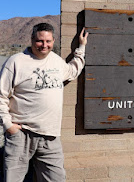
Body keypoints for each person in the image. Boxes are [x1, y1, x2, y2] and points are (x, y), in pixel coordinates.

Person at [0, 22, 88, 182]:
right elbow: (1, 95)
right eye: (40, 41)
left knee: (56, 178)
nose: (44, 45)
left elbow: (72, 71)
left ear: (53, 41)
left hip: (50, 136)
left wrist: (81, 48)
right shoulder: (16, 62)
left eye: (48, 41)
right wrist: (8, 126)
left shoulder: (56, 61)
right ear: (32, 39)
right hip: (22, 133)